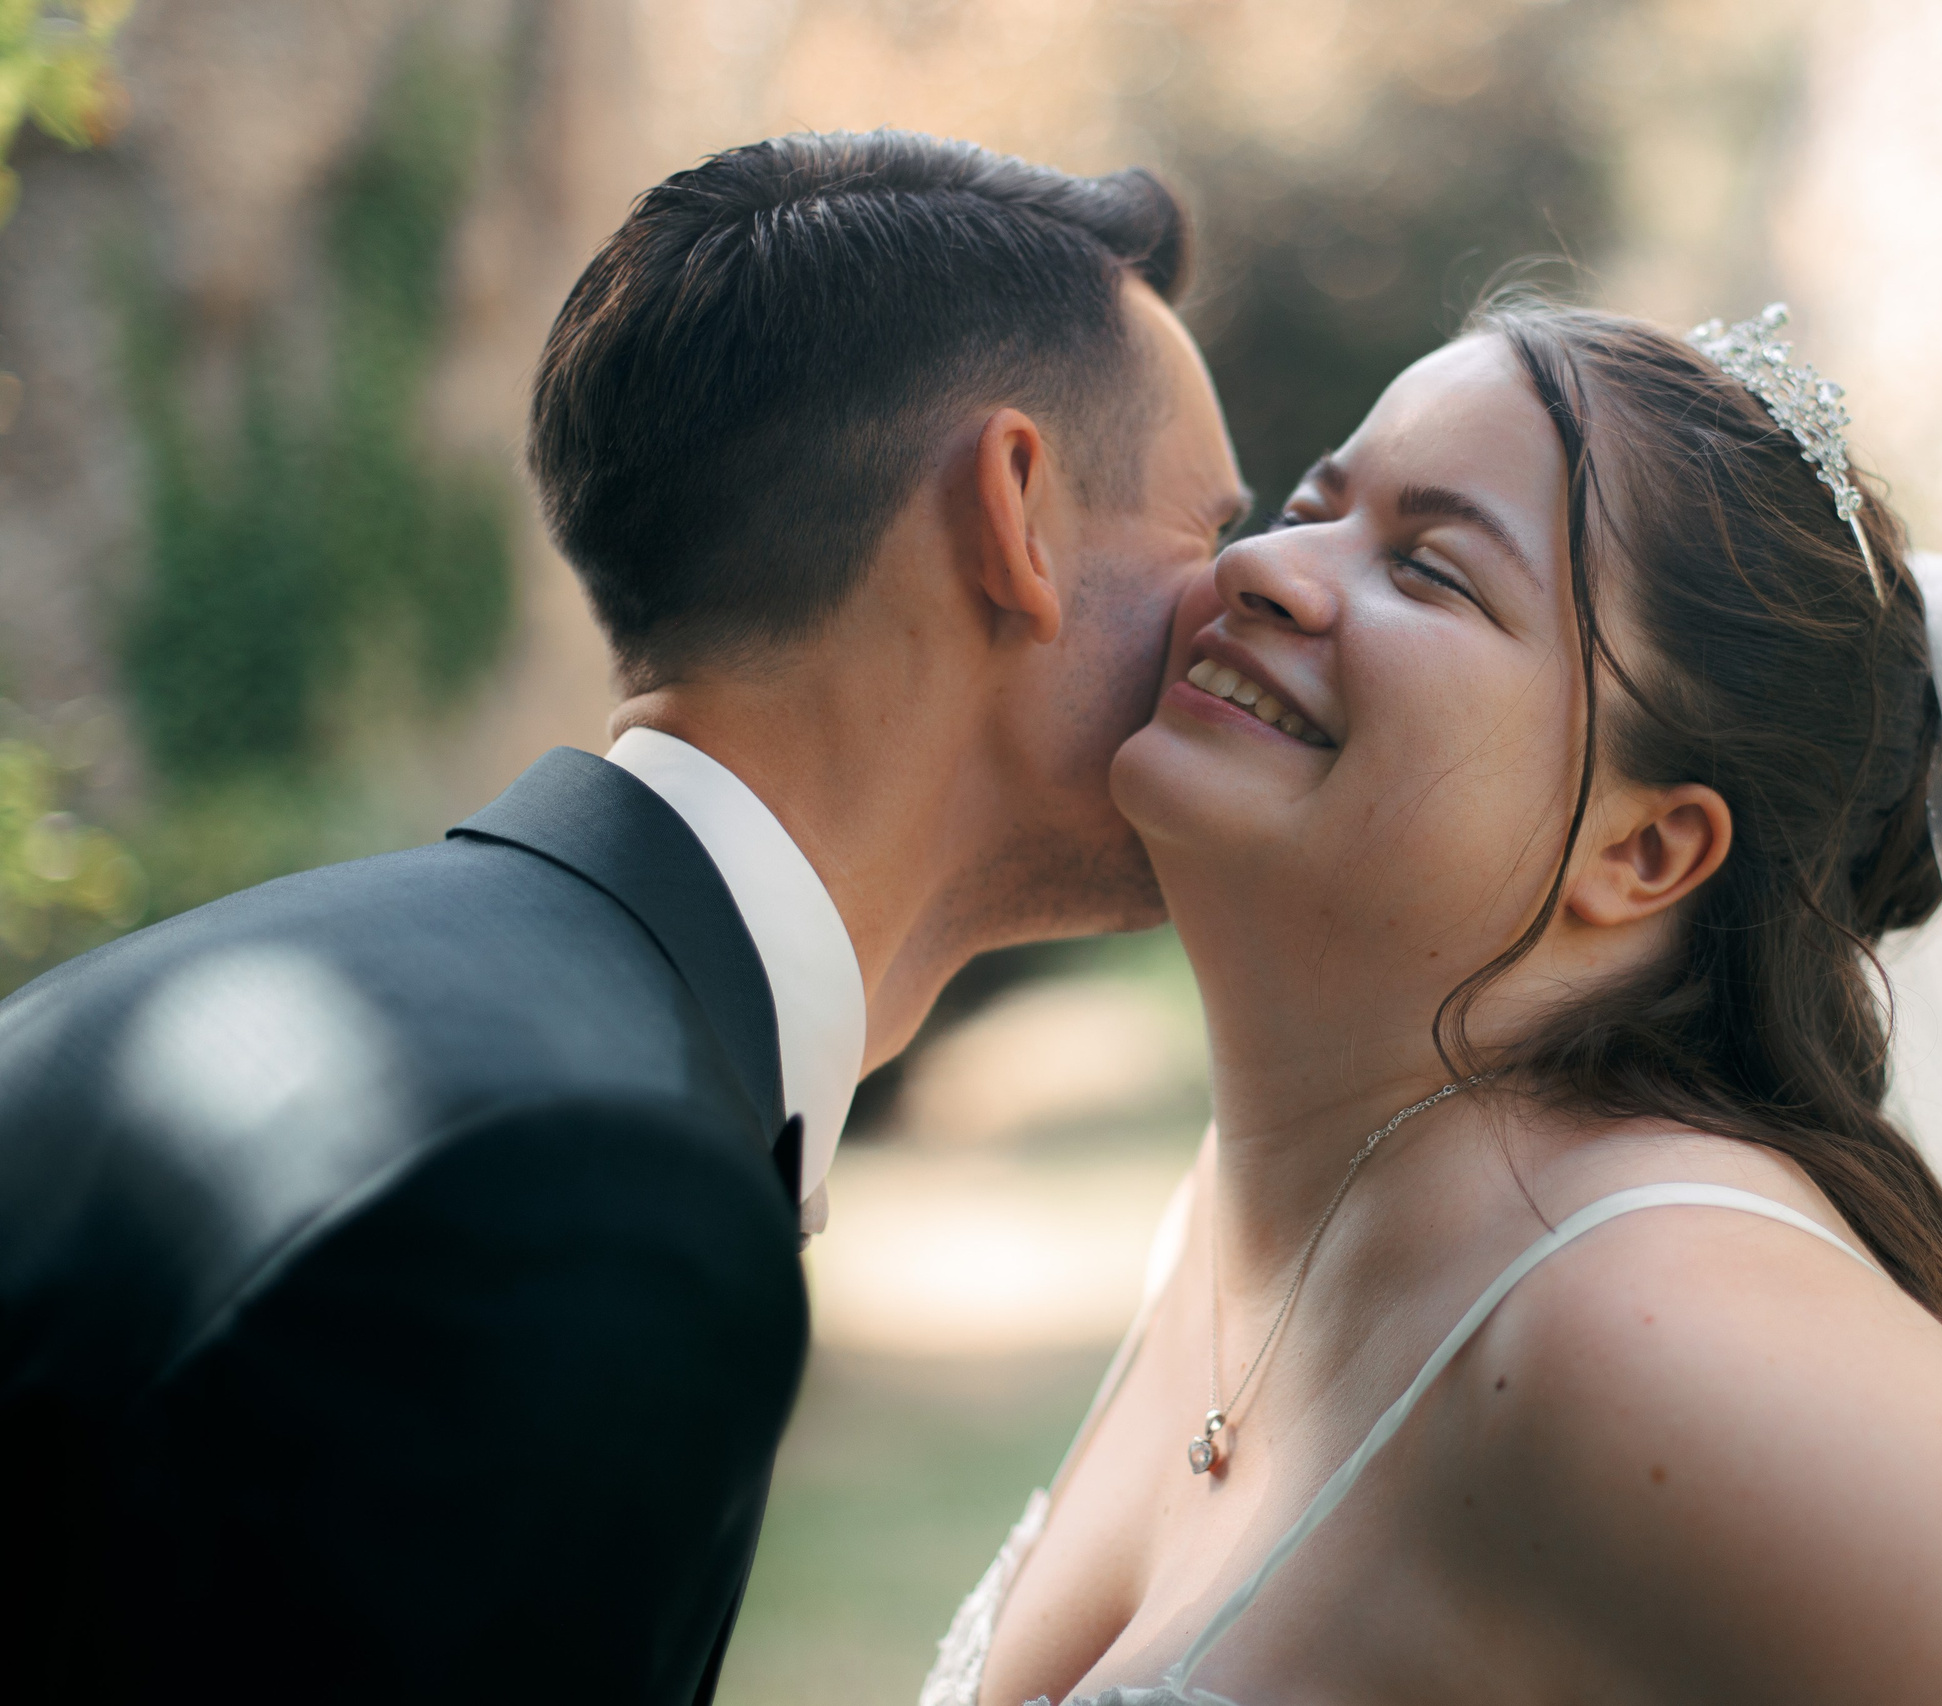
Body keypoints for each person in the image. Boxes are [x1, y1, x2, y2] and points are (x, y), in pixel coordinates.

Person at [925, 302, 1942, 1703]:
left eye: (1431, 569)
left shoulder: (1661, 1327)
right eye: (1313, 502)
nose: (1269, 568)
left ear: (1645, 849)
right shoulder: (1234, 1211)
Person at [0, 130, 1243, 1703]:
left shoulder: (281, 985)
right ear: (1018, 511)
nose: (1245, 605)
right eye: (1210, 535)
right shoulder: (577, 1190)